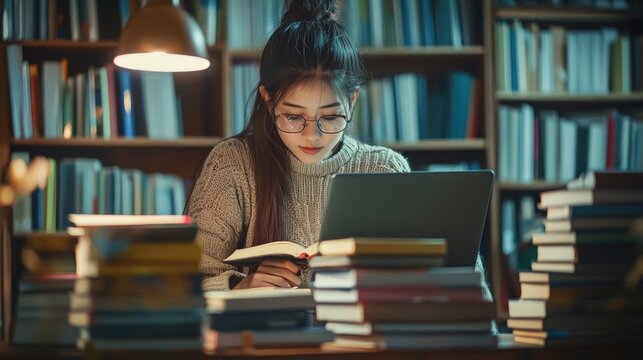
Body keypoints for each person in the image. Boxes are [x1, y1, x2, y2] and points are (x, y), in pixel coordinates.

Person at [188, 0, 493, 306]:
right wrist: (241, 287)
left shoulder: (384, 169)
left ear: (353, 100)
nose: (313, 135)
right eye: (294, 117)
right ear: (268, 102)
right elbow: (186, 284)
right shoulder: (231, 165)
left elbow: (464, 284)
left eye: (330, 117)